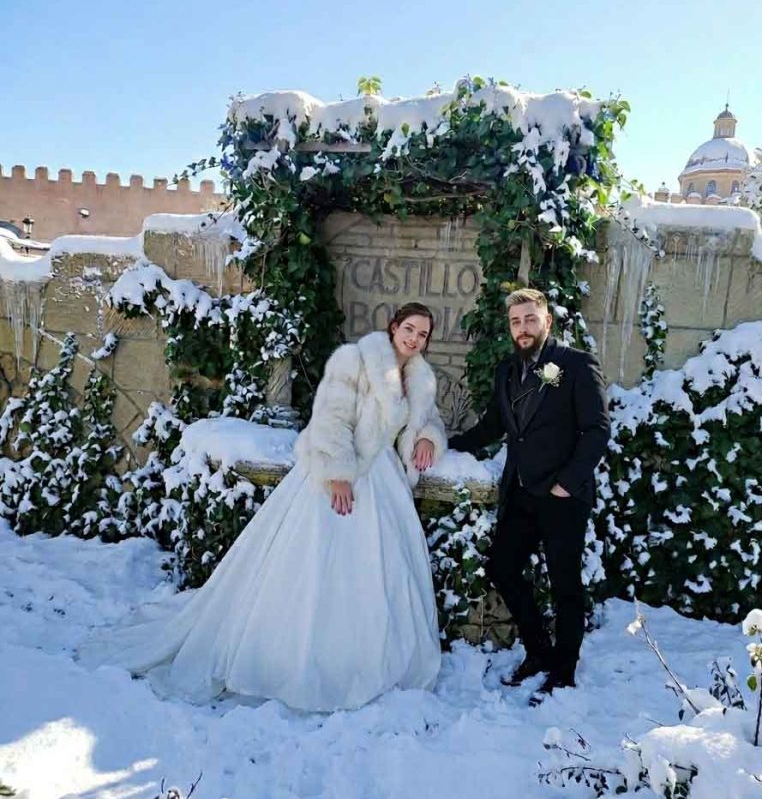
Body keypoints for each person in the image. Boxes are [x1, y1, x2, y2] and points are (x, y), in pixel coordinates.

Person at [82, 303, 446, 712]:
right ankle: (296, 659)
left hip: (384, 479)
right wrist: (338, 473)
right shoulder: (357, 361)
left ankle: (367, 659)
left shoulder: (419, 378)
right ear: (394, 327)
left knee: (377, 571)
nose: (414, 339)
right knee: (314, 566)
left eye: (423, 334)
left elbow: (427, 419)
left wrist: (427, 437)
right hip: (341, 470)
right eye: (409, 329)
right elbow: (330, 418)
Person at [448, 288, 609, 701]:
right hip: (520, 494)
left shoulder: (575, 364)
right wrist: (446, 446)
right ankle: (538, 652)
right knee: (502, 568)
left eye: (530, 319)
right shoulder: (507, 369)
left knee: (565, 586)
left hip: (562, 497)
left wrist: (567, 483)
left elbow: (597, 430)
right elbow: (494, 426)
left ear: (547, 322)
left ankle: (564, 671)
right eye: (516, 321)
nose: (523, 328)